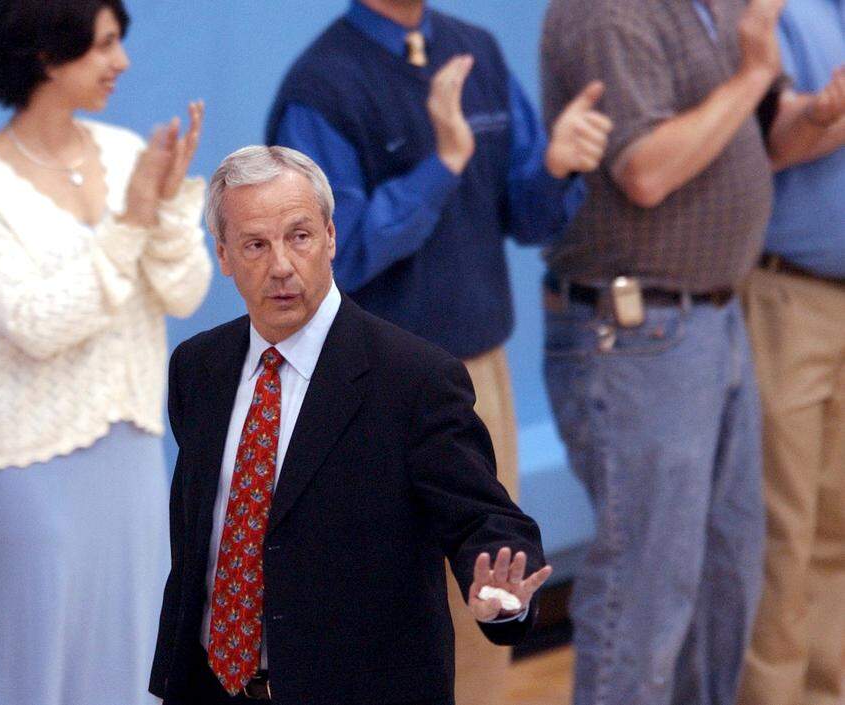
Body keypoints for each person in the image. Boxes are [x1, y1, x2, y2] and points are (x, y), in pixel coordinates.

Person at [265, 3, 610, 698]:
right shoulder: (320, 87)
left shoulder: (473, 48)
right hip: (367, 392)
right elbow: (338, 253)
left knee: (488, 585)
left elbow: (527, 213)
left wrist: (553, 165)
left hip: (480, 377)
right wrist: (443, 162)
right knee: (381, 600)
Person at [149, 146, 551, 705]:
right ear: (224, 255)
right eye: (256, 245)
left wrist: (502, 594)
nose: (282, 265)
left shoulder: (414, 379)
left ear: (332, 238)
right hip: (212, 688)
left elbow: (484, 520)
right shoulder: (198, 369)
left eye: (300, 236)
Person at [539, 0, 845, 703]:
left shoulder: (716, 8)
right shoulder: (607, 14)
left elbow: (765, 135)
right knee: (645, 591)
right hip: (637, 334)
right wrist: (752, 73)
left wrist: (818, 114)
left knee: (727, 577)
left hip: (714, 316)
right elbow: (646, 171)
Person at [0, 1, 211, 703]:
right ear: (45, 55)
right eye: (103, 46)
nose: (120, 62)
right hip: (23, 457)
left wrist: (173, 212)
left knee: (135, 656)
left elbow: (182, 293)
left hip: (130, 444)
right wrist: (129, 223)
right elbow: (36, 322)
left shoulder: (126, 151)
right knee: (40, 664)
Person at [737, 3, 845, 704]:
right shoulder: (765, 11)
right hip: (789, 298)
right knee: (782, 529)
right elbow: (762, 145)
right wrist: (823, 114)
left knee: (839, 521)